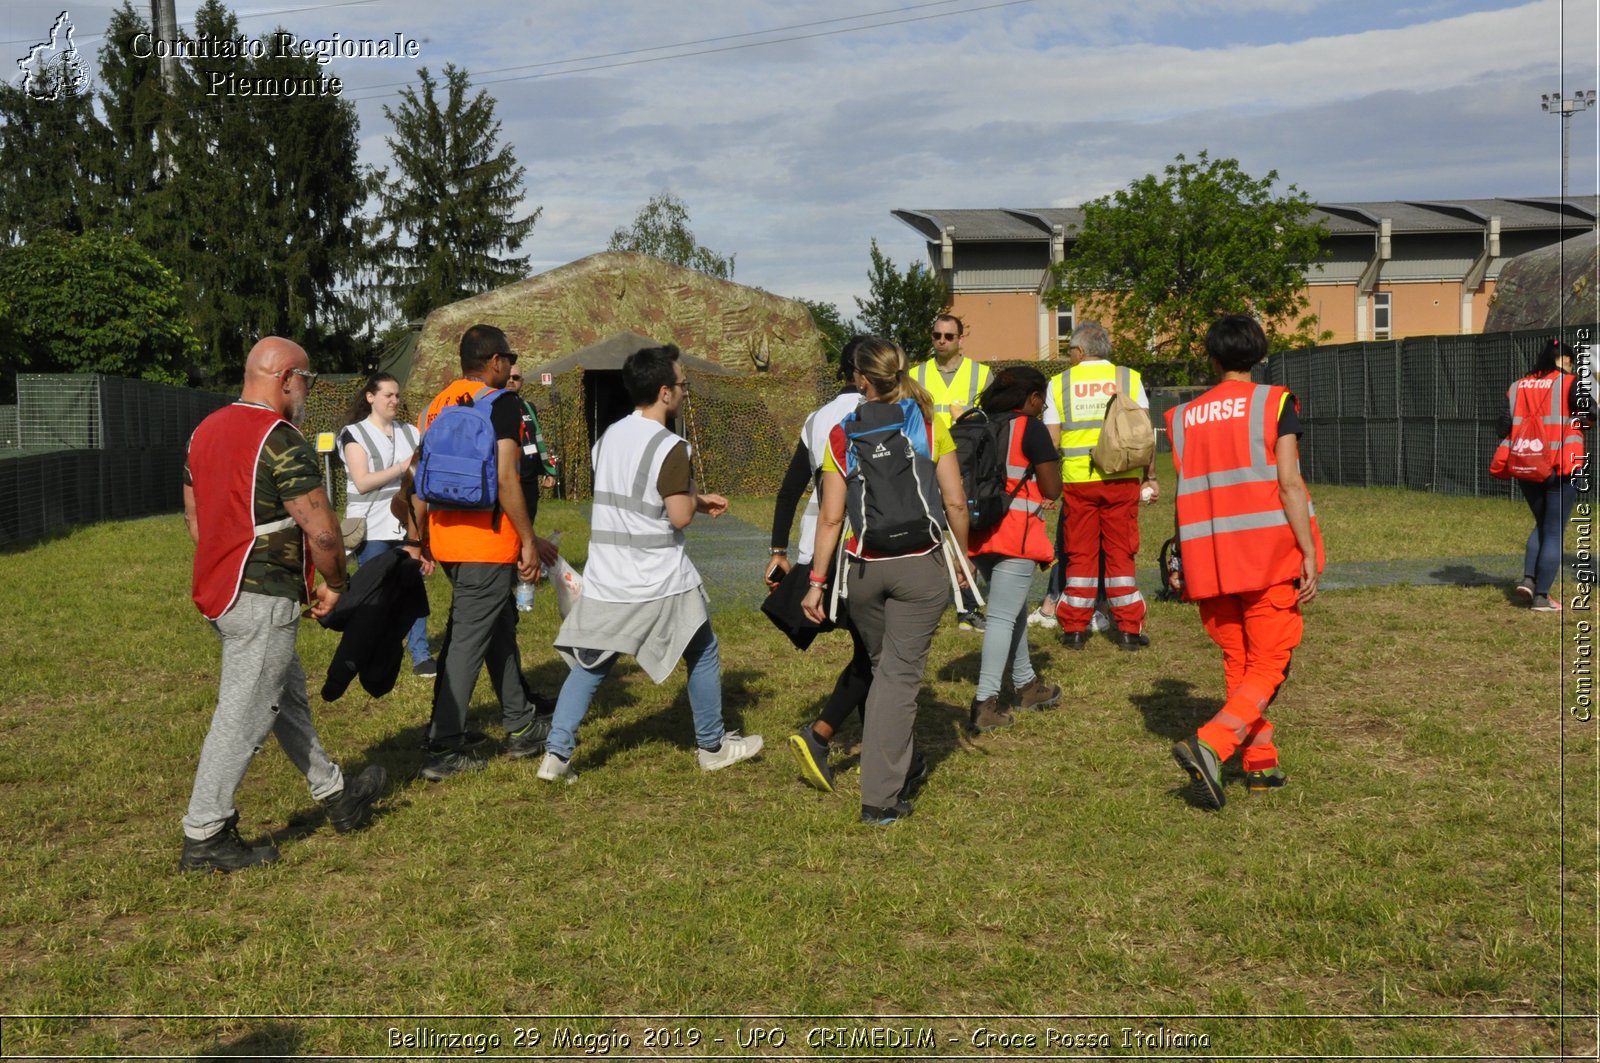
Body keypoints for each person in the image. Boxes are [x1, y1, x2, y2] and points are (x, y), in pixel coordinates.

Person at [179, 337, 387, 873]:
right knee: (245, 710)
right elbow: (322, 532)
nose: (307, 391)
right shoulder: (281, 439)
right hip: (260, 596)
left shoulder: (205, 430)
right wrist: (335, 584)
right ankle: (205, 833)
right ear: (287, 378)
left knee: (284, 697)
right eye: (307, 381)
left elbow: (195, 518)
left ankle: (336, 796)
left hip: (220, 591)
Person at [537, 344, 763, 782]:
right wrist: (694, 502)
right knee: (703, 651)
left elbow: (636, 501)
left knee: (592, 664)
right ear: (664, 392)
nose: (684, 391)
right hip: (660, 576)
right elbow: (675, 515)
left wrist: (693, 499)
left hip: (609, 575)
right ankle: (713, 746)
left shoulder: (608, 438)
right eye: (683, 384)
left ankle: (556, 754)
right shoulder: (671, 447)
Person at [803, 336, 972, 825]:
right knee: (897, 679)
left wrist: (817, 582)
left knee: (884, 671)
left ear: (860, 379)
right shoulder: (927, 423)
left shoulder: (841, 433)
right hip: (920, 565)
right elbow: (955, 502)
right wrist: (961, 561)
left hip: (863, 571)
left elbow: (831, 519)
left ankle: (905, 761)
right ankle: (880, 799)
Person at [1165, 315, 1324, 810]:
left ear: (1211, 358)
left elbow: (1187, 487)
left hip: (1209, 558)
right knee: (1271, 663)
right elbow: (1289, 483)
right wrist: (1310, 551)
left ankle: (1261, 765)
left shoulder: (1183, 416)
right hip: (1266, 555)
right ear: (1258, 354)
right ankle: (1211, 744)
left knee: (1241, 663)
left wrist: (1181, 556)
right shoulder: (1274, 403)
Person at [415, 324, 559, 781]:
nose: (511, 366)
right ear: (495, 361)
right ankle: (444, 743)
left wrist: (419, 538)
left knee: (495, 628)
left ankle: (520, 723)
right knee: (466, 642)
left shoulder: (435, 406)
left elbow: (418, 477)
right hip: (488, 541)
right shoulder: (503, 404)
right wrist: (528, 540)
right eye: (509, 359)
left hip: (447, 537)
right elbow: (506, 478)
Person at [768, 336, 868, 792]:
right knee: (874, 647)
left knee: (871, 646)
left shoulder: (816, 418)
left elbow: (790, 490)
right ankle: (826, 734)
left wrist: (778, 552)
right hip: (860, 547)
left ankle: (867, 734)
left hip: (817, 549)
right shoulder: (880, 413)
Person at [1042, 321, 1158, 651]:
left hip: (1078, 481)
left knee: (1080, 555)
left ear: (1080, 351)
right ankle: (1128, 630)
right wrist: (1150, 477)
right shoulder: (1128, 378)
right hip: (1121, 479)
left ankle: (1075, 630)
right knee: (1121, 554)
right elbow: (1144, 434)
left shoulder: (1059, 383)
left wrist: (1049, 489)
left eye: (1069, 352)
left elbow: (1051, 441)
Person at [965, 367, 1064, 732]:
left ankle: (1026, 685)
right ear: (1033, 398)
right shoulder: (1030, 427)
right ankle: (985, 703)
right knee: (1003, 617)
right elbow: (1052, 489)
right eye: (1043, 400)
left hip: (981, 531)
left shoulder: (983, 424)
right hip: (1016, 535)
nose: (1043, 407)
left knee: (1012, 608)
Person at [339, 372, 435, 678]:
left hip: (408, 527)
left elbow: (423, 484)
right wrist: (401, 467)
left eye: (397, 395)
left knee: (412, 589)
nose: (395, 400)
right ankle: (372, 655)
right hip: (371, 528)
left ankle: (421, 656)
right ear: (371, 397)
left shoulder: (411, 432)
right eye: (387, 395)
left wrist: (427, 541)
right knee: (377, 596)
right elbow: (363, 481)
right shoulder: (353, 434)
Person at [909, 313, 992, 632]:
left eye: (948, 336)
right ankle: (920, 600)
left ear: (960, 339)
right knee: (923, 532)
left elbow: (990, 421)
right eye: (937, 335)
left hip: (967, 462)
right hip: (927, 461)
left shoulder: (981, 374)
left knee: (963, 533)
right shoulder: (917, 374)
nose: (942, 341)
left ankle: (968, 604)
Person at [1501, 337, 1590, 612]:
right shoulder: (1569, 383)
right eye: (1570, 361)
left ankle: (1528, 581)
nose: (1572, 366)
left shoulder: (1517, 386)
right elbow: (1593, 415)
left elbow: (1502, 425)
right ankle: (1542, 597)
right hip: (1561, 467)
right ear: (1562, 360)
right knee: (1553, 531)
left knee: (1542, 524)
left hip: (1527, 466)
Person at [506, 365, 559, 526]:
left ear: (521, 381)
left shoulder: (529, 407)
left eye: (515, 378)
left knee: (528, 526)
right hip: (509, 483)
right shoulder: (494, 406)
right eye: (508, 377)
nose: (511, 381)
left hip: (529, 483)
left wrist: (548, 470)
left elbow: (537, 441)